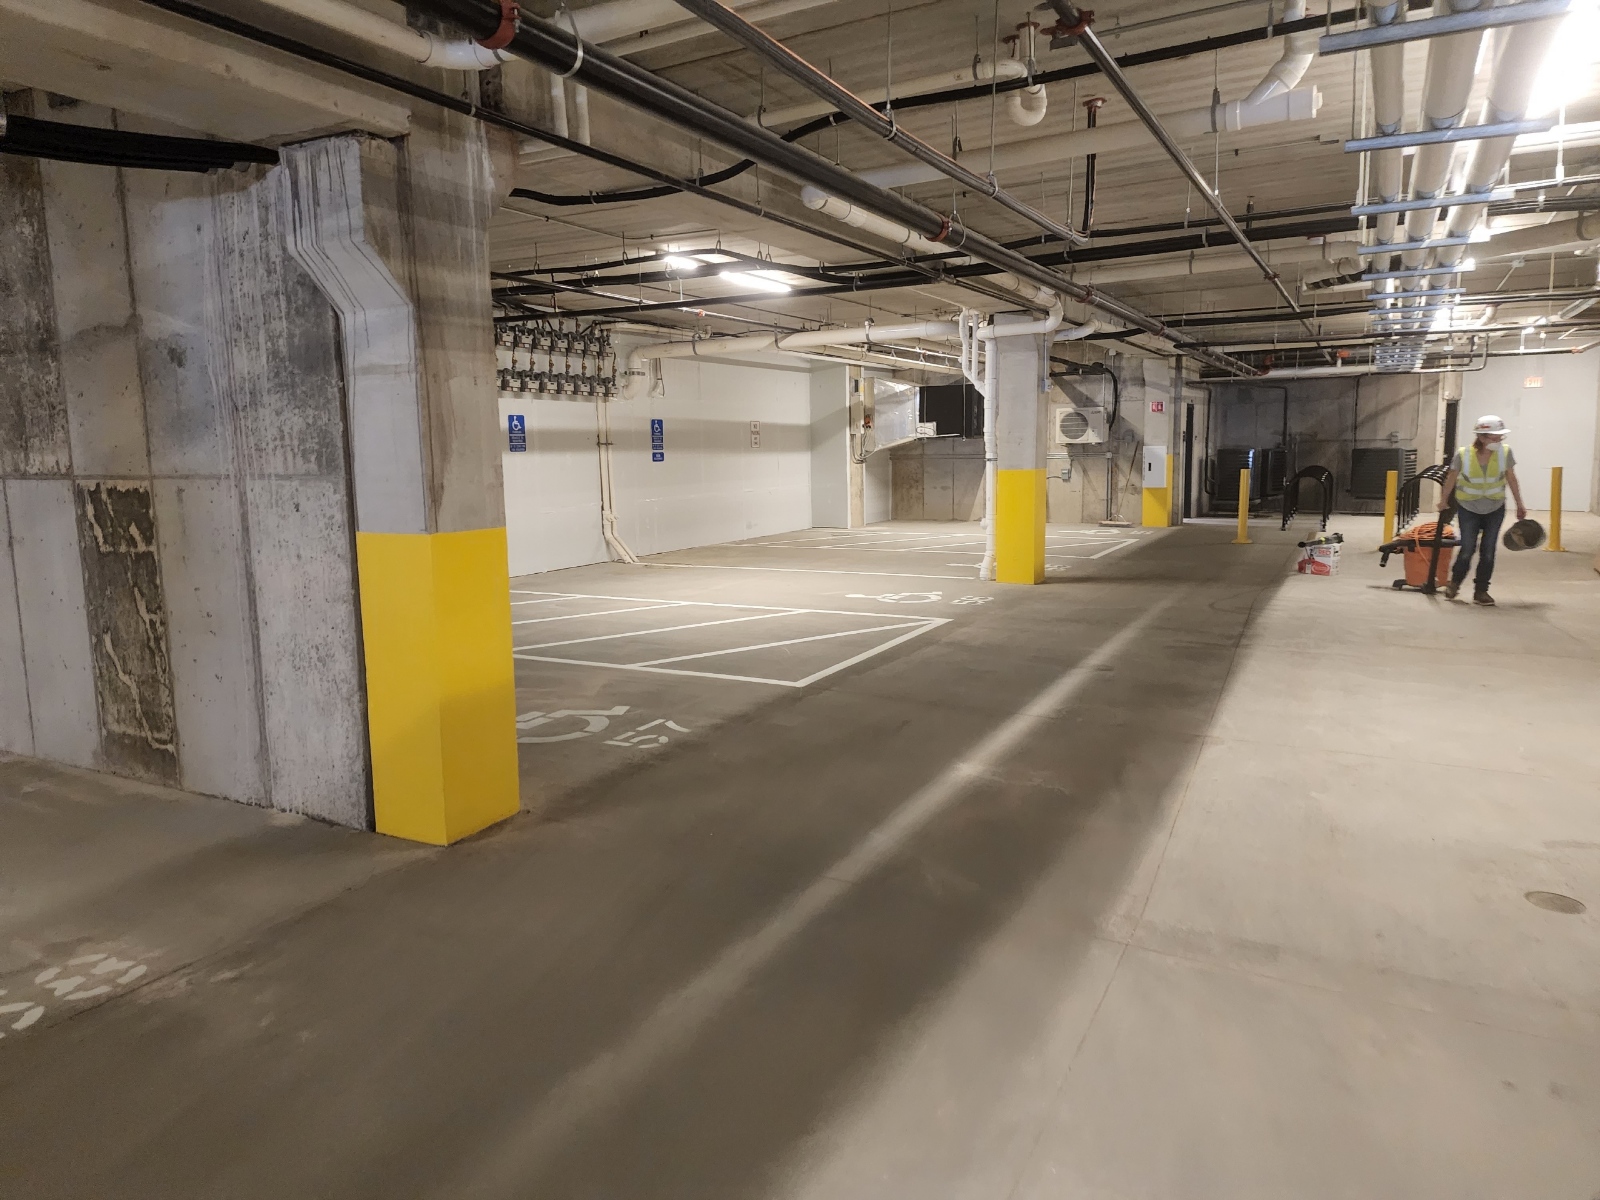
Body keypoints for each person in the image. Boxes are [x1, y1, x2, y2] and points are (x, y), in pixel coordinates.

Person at [1436, 414, 1527, 605]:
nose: (1499, 440)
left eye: (1500, 436)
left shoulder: (1505, 452)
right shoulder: (1463, 454)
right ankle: (1455, 583)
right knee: (1467, 549)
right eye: (1496, 436)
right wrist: (1443, 500)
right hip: (1469, 507)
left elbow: (1511, 478)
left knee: (1488, 551)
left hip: (1495, 507)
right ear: (1482, 437)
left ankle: (1481, 591)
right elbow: (1452, 477)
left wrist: (1520, 504)